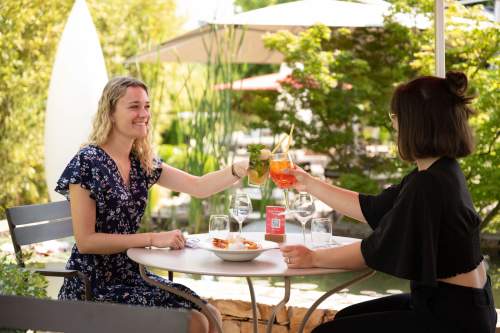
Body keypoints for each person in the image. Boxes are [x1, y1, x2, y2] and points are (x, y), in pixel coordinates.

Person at [280, 72, 496, 332]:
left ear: (414, 123)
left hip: (453, 318)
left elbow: (371, 251)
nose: (393, 126)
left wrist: (313, 259)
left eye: (396, 118)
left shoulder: (428, 184)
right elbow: (373, 209)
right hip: (458, 304)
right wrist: (308, 183)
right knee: (345, 317)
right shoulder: (438, 171)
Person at [55, 76, 248, 333]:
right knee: (194, 322)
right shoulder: (88, 162)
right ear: (110, 112)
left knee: (210, 314)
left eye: (147, 106)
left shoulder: (141, 161)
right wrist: (153, 238)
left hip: (132, 276)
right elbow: (86, 241)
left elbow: (199, 187)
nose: (143, 114)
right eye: (134, 106)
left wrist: (238, 169)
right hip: (93, 286)